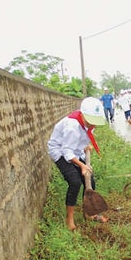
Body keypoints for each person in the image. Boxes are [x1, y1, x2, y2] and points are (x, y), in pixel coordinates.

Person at [47, 97, 108, 231]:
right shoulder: (72, 126)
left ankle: (88, 212)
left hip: (74, 150)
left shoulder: (87, 121)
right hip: (60, 151)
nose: (93, 125)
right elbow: (67, 151)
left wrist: (85, 146)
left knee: (90, 179)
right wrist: (81, 165)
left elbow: (82, 137)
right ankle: (69, 218)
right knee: (74, 182)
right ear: (83, 115)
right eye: (91, 122)